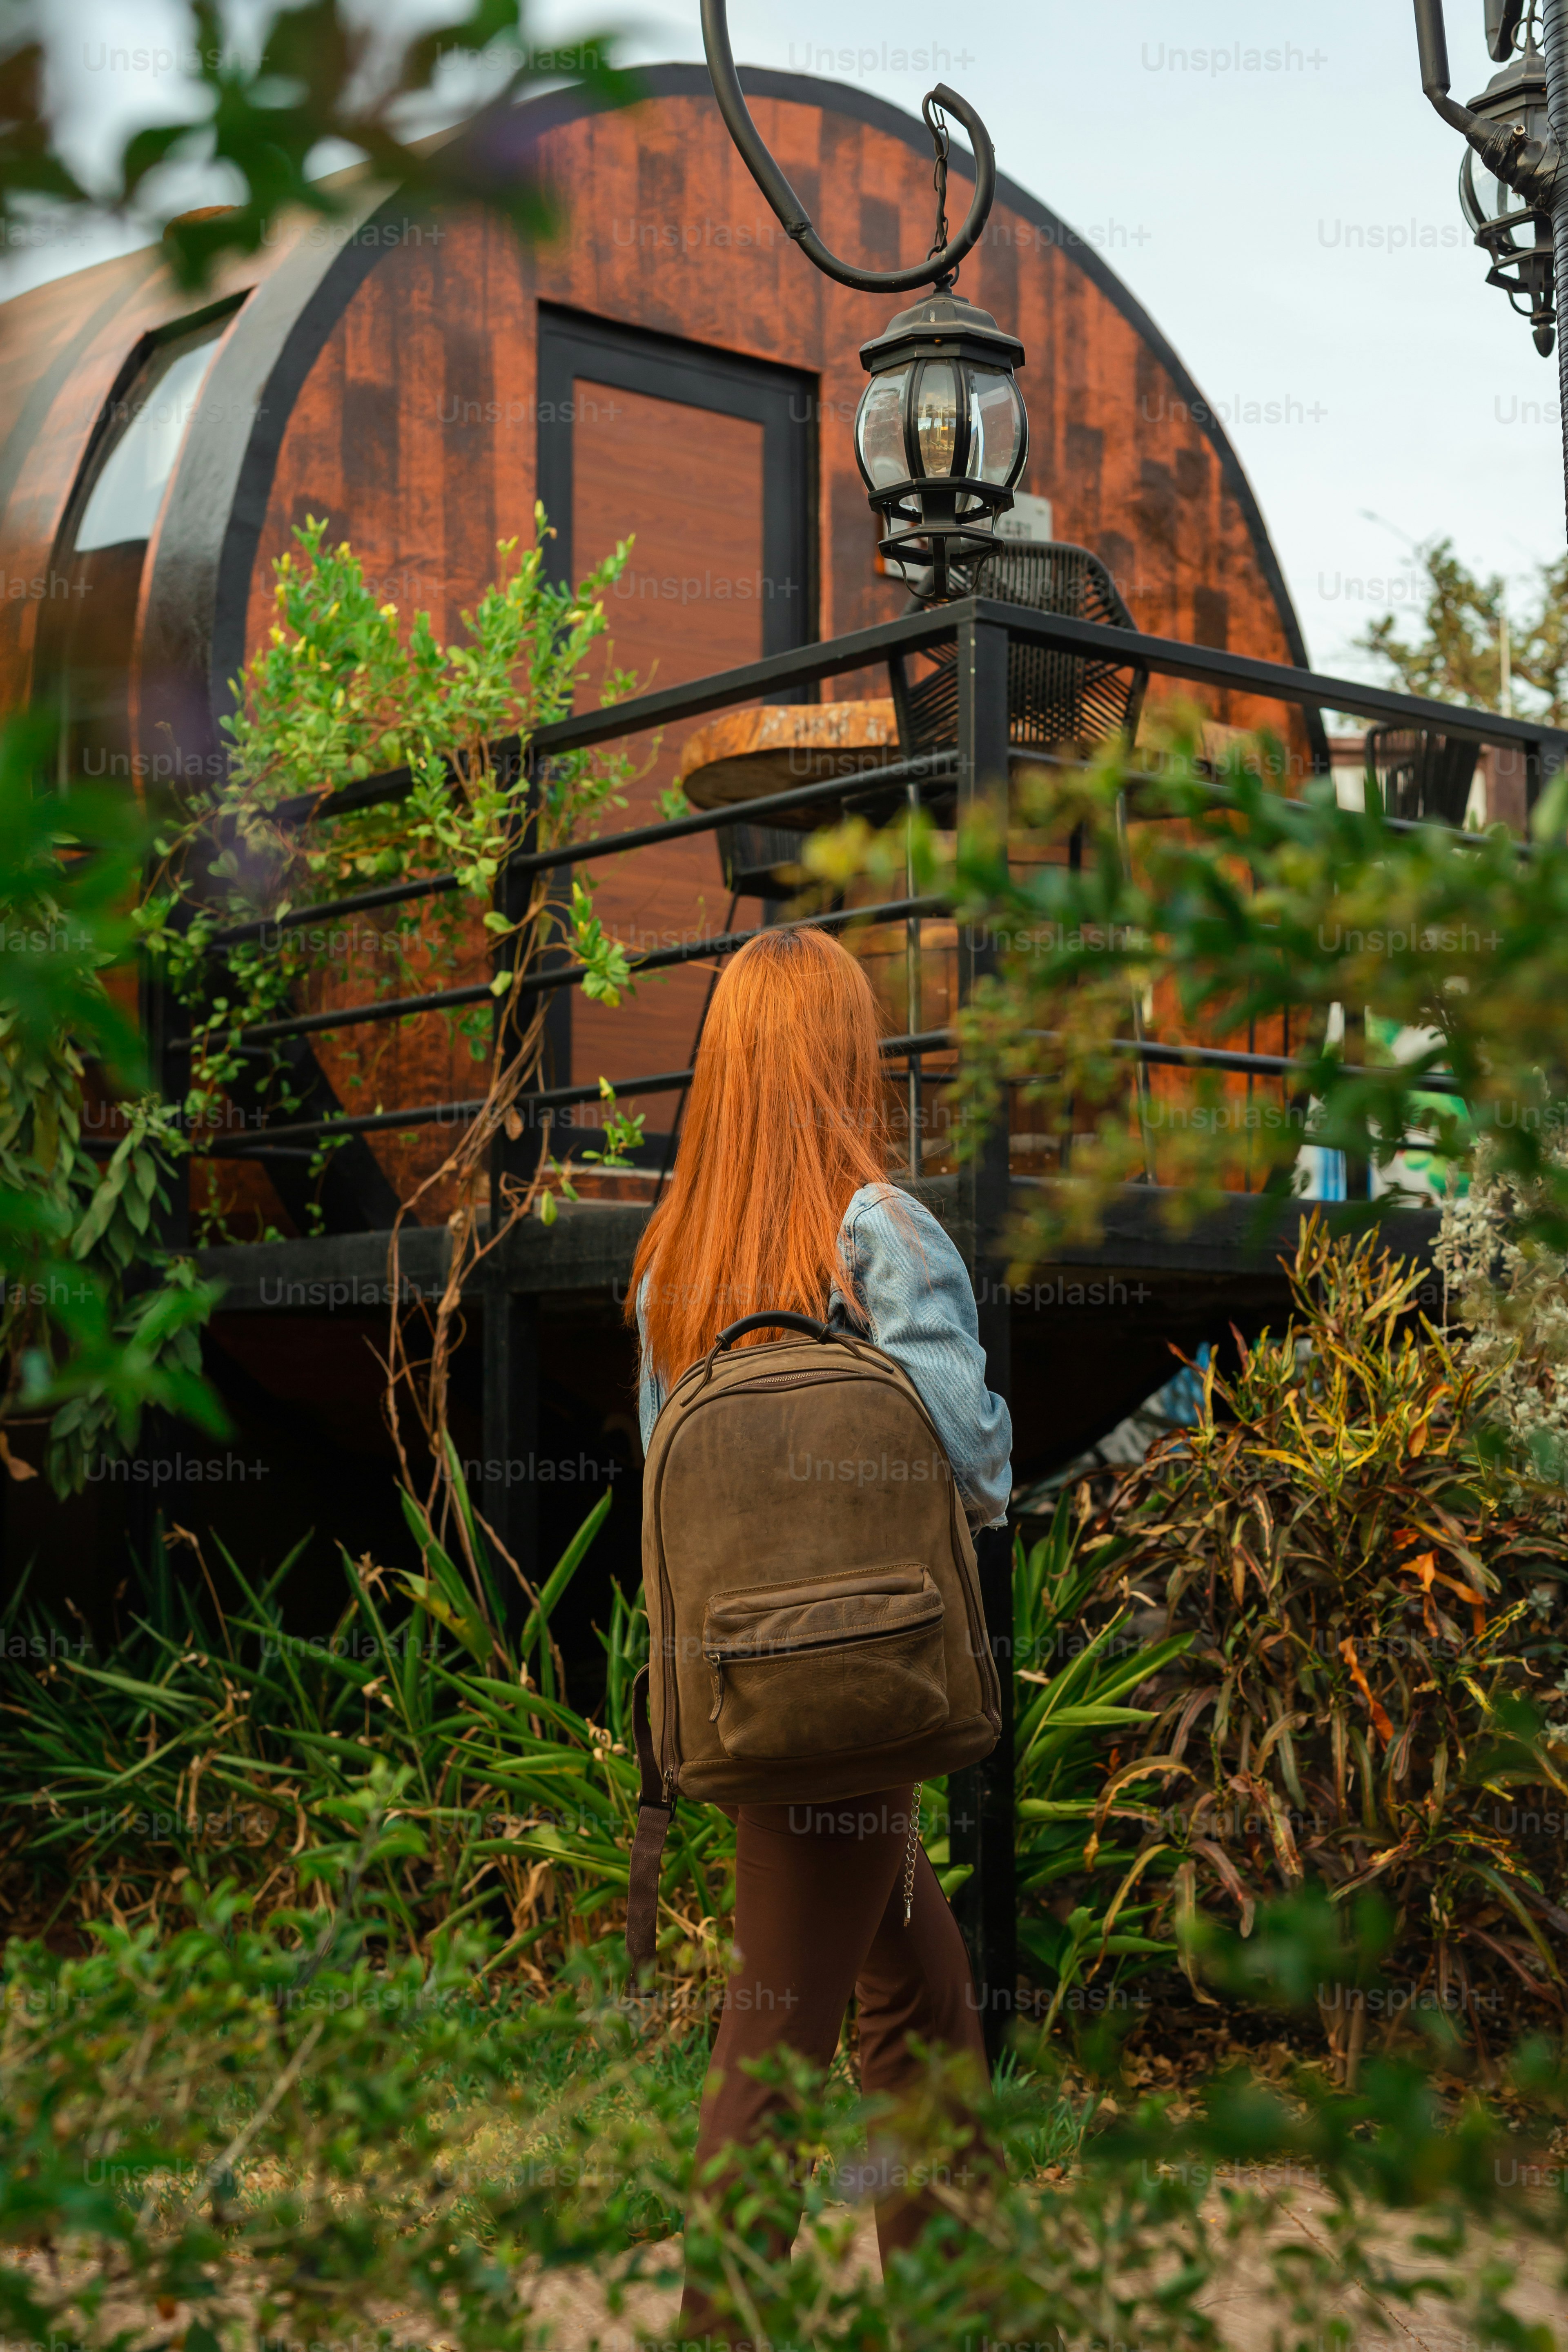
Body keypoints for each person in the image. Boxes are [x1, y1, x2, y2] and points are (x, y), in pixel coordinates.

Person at [625, 924, 1012, 2343]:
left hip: (742, 1694)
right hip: (874, 1675)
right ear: (841, 1061)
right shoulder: (880, 1230)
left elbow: (674, 1503)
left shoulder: (674, 1262)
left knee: (920, 1999)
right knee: (775, 2045)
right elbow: (974, 1469)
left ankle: (955, 2300)